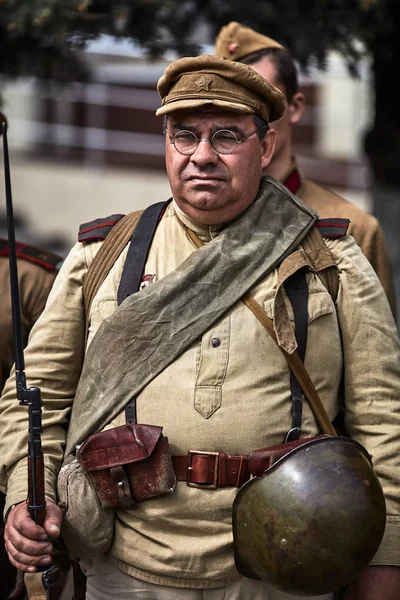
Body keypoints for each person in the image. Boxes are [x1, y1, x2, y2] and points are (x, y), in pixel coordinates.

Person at [0, 54, 399, 600]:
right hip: (127, 569)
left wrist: (385, 561)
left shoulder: (330, 258)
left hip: (286, 566)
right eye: (184, 135)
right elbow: (33, 394)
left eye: (227, 136)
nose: (202, 155)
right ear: (166, 143)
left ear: (267, 146)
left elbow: (382, 416)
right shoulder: (103, 254)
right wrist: (26, 498)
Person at [215, 21, 397, 319]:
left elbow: (375, 357)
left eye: (262, 100)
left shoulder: (351, 229)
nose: (244, 118)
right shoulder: (200, 213)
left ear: (296, 107)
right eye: (228, 103)